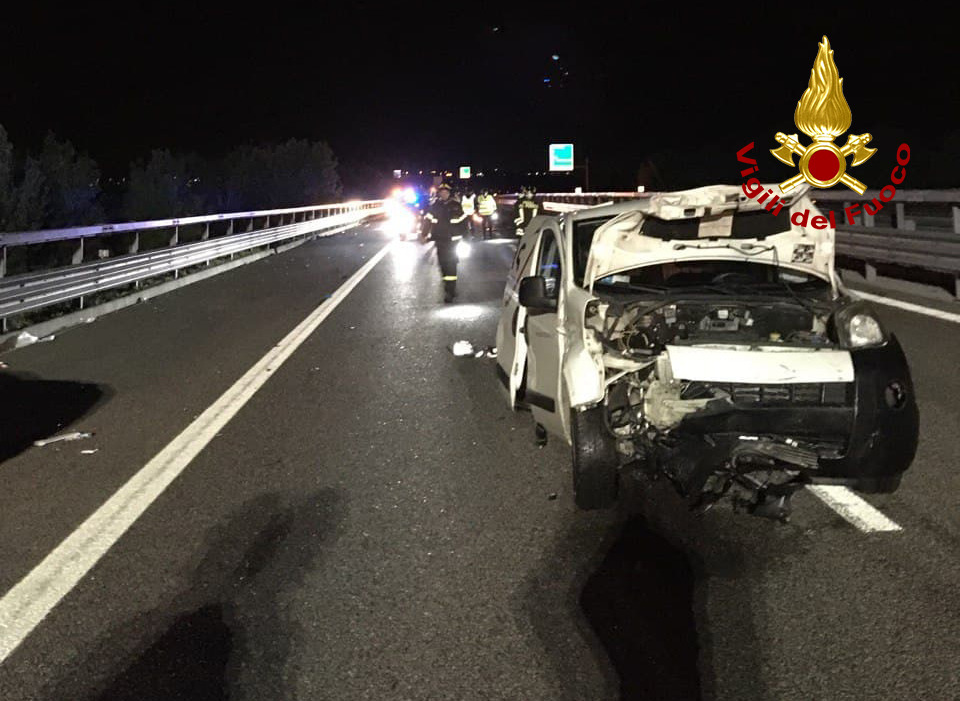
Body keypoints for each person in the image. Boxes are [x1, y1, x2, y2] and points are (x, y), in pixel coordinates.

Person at [422, 183, 466, 302]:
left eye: (446, 192)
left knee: (451, 265)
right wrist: (424, 234)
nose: (444, 194)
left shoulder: (456, 206)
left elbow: (463, 222)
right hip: (440, 240)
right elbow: (427, 221)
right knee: (443, 265)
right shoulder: (435, 206)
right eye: (442, 192)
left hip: (453, 241)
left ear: (449, 193)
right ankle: (448, 287)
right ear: (439, 193)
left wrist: (466, 236)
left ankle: (450, 291)